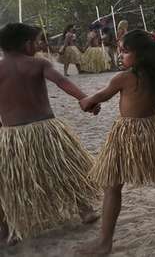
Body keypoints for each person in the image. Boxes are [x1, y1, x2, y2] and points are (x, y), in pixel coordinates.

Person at [78, 30, 155, 255]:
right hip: (152, 129)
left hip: (130, 133)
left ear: (140, 54)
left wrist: (86, 101)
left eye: (125, 51)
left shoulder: (124, 77)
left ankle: (105, 243)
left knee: (113, 185)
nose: (120, 55)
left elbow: (101, 96)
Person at [0, 23, 100, 244]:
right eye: (37, 42)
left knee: (9, 182)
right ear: (27, 44)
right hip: (45, 130)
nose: (39, 45)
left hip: (11, 134)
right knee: (65, 171)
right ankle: (85, 210)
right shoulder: (38, 64)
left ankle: (6, 230)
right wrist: (85, 99)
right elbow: (62, 81)